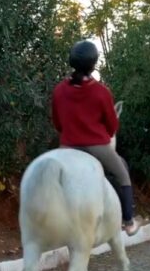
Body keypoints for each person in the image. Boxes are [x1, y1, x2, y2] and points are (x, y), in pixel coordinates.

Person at [51, 40, 143, 236]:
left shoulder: (59, 90)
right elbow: (112, 127)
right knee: (123, 174)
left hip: (67, 147)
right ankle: (128, 222)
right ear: (93, 64)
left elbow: (57, 123)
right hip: (96, 146)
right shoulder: (101, 92)